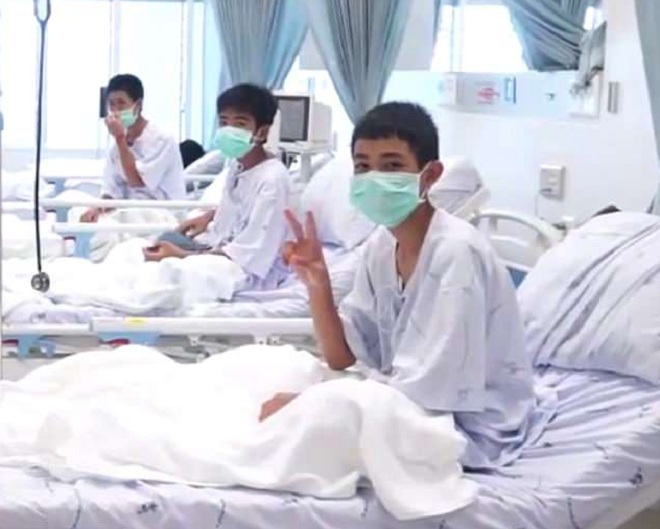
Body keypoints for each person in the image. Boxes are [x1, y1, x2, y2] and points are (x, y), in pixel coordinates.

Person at [261, 102, 555, 470]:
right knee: (268, 373)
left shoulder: (455, 254)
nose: (374, 179)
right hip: (405, 401)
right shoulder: (381, 247)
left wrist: (314, 405)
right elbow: (342, 357)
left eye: (392, 166)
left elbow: (429, 396)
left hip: (465, 425)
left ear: (430, 175)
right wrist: (317, 284)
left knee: (296, 424)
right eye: (363, 167)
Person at [143, 83, 291, 290]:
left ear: (262, 131)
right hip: (217, 252)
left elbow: (250, 254)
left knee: (168, 271)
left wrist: (183, 255)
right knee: (140, 248)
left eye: (240, 124)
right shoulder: (237, 166)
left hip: (242, 271)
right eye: (223, 122)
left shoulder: (272, 180)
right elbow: (238, 212)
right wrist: (210, 216)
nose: (229, 130)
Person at [80, 74, 185, 223]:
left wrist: (120, 138)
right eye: (111, 104)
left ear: (138, 105)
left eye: (121, 103)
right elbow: (111, 191)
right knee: (80, 212)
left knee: (112, 225)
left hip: (162, 214)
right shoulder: (115, 149)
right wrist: (98, 209)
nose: (115, 110)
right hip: (130, 212)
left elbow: (136, 181)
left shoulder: (162, 140)